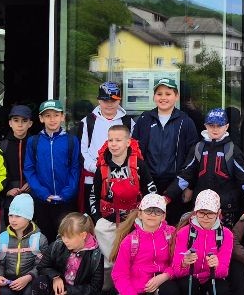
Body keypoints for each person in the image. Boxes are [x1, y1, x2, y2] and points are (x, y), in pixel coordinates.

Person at [88, 121, 153, 295]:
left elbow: (150, 191)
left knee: (135, 258)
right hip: (108, 218)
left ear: (128, 142)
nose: (114, 144)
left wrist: (145, 216)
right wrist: (97, 218)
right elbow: (94, 195)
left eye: (118, 140)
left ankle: (132, 292)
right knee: (108, 260)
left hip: (134, 219)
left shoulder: (138, 165)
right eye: (110, 140)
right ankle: (105, 290)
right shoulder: (102, 167)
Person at [161, 189, 233, 295]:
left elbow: (224, 271)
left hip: (210, 278)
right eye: (201, 212)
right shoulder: (184, 233)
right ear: (195, 212)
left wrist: (216, 265)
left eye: (210, 213)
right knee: (187, 284)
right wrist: (184, 263)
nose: (205, 217)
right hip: (191, 278)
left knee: (223, 289)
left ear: (218, 213)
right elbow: (176, 269)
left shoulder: (226, 234)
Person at [110, 193, 177, 295]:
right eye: (148, 210)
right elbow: (119, 274)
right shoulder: (130, 241)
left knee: (172, 290)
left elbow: (177, 262)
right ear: (140, 214)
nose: (152, 214)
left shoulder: (171, 234)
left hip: (160, 284)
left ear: (163, 216)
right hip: (137, 290)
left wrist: (165, 275)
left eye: (157, 211)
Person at [28, 212, 103, 295]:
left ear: (83, 235)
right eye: (63, 236)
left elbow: (95, 287)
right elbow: (42, 267)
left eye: (69, 237)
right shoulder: (57, 245)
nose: (65, 240)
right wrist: (55, 277)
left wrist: (70, 292)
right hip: (56, 290)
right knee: (39, 282)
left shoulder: (95, 254)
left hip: (78, 294)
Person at [132, 76, 197, 224]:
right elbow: (134, 151)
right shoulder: (144, 119)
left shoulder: (186, 121)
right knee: (148, 224)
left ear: (176, 96)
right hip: (148, 182)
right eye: (159, 94)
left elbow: (192, 158)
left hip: (176, 185)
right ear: (154, 96)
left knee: (173, 225)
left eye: (168, 94)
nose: (163, 98)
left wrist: (190, 186)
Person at [180, 107, 244, 225]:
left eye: (219, 125)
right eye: (211, 125)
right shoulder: (198, 148)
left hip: (226, 209)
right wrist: (168, 196)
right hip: (201, 209)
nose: (215, 129)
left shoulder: (233, 150)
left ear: (226, 126)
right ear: (205, 126)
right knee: (200, 236)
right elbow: (186, 176)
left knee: (224, 236)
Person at [25, 99, 78, 241]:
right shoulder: (33, 141)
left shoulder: (71, 140)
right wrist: (42, 192)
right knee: (45, 237)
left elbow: (75, 168)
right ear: (41, 118)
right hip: (43, 200)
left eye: (56, 115)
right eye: (47, 116)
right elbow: (29, 169)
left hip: (66, 200)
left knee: (66, 238)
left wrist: (67, 193)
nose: (52, 119)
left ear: (62, 117)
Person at [0, 192, 43, 295]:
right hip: (9, 279)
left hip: (29, 279)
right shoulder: (3, 237)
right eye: (11, 215)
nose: (13, 220)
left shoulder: (38, 238)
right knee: (2, 293)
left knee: (34, 289)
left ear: (28, 217)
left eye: (18, 216)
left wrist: (29, 277)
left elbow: (41, 264)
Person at [78, 81, 125, 212]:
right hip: (92, 179)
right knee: (91, 218)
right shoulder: (87, 122)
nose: (109, 104)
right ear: (99, 100)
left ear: (119, 100)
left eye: (113, 100)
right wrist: (97, 169)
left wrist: (117, 170)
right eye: (105, 100)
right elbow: (82, 151)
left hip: (119, 180)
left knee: (117, 217)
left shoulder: (128, 122)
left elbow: (131, 150)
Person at [0, 104, 34, 201]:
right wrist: (7, 190)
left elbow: (43, 168)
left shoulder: (36, 144)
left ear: (30, 124)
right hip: (10, 196)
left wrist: (32, 182)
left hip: (33, 194)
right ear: (10, 123)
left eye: (24, 121)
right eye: (16, 120)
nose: (20, 125)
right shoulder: (3, 146)